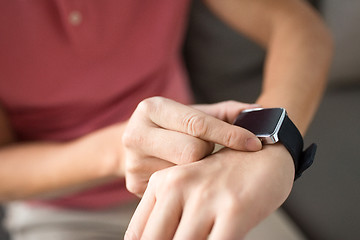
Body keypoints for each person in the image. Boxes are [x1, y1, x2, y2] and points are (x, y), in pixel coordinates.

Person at [0, 0, 332, 239]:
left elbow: (297, 25)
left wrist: (273, 145)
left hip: (203, 171)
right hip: (62, 211)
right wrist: (119, 150)